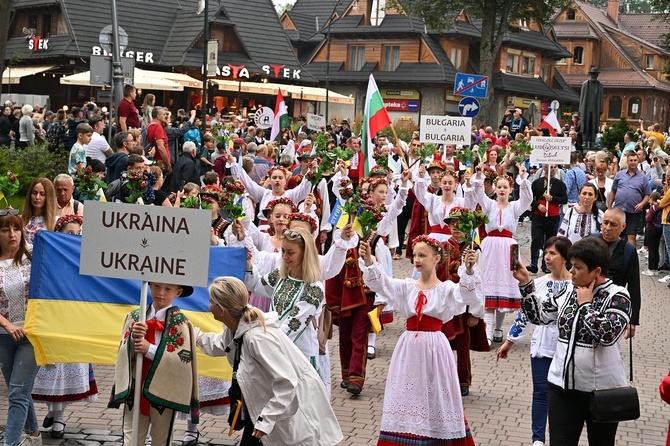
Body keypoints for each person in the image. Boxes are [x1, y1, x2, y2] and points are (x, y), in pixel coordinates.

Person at [359, 235, 481, 445]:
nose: (416, 259)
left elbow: (468, 297)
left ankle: (437, 433)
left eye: (422, 255)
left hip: (435, 347)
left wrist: (469, 271)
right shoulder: (407, 287)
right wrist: (370, 261)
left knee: (435, 392)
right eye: (414, 254)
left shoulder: (446, 289)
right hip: (409, 347)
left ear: (436, 258)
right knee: (407, 391)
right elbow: (382, 284)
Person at [195, 276, 343, 445]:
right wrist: (193, 335)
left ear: (221, 309)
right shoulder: (237, 327)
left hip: (287, 413)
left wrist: (266, 420)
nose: (209, 305)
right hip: (263, 412)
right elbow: (221, 345)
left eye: (211, 301)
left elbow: (287, 381)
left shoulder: (257, 338)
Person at [515, 237, 631, 446]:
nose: (572, 271)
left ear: (596, 271)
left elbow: (607, 335)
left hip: (602, 392)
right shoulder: (568, 290)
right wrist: (526, 284)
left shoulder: (618, 295)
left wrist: (586, 306)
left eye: (578, 267)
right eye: (571, 265)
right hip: (562, 388)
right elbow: (539, 316)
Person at [496, 236, 573, 446]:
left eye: (552, 253)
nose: (547, 257)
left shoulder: (575, 286)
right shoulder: (538, 283)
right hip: (541, 346)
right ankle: (537, 439)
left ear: (565, 257)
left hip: (565, 348)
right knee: (540, 392)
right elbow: (525, 315)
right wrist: (510, 341)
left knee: (563, 396)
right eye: (546, 253)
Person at [108, 282, 199, 446]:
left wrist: (149, 348)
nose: (161, 293)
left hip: (163, 391)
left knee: (161, 439)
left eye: (168, 289)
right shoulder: (134, 317)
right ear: (149, 286)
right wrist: (132, 342)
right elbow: (122, 353)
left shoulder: (181, 324)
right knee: (131, 439)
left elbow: (182, 360)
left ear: (178, 292)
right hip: (135, 389)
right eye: (156, 286)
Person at [31, 214, 97, 439]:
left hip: (76, 319)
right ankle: (53, 412)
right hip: (54, 318)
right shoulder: (51, 258)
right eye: (70, 234)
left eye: (78, 234)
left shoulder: (86, 259)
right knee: (54, 365)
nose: (75, 238)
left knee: (70, 367)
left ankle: (58, 417)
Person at [243, 227, 328, 382]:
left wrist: (263, 343)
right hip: (275, 348)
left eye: (290, 252)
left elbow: (293, 325)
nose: (285, 256)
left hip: (298, 354)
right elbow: (256, 286)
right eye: (283, 251)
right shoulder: (281, 275)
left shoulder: (314, 288)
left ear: (305, 254)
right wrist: (248, 265)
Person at [466, 164, 532, 344]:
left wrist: (523, 178)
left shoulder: (515, 207)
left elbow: (527, 199)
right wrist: (478, 176)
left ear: (511, 190)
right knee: (488, 284)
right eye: (499, 187)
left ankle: (497, 329)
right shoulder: (489, 205)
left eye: (505, 187)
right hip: (490, 247)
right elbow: (479, 195)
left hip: (509, 247)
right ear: (495, 189)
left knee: (506, 285)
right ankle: (486, 333)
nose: (502, 190)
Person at [0, 210, 41, 446]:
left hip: (31, 335)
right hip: (3, 336)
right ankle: (34, 433)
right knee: (19, 389)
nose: (12, 234)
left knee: (16, 392)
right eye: (5, 230)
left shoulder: (34, 255)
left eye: (16, 229)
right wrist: (5, 324)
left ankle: (10, 443)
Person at [528, 165, 568, 273]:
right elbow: (529, 198)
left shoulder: (560, 184)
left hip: (553, 216)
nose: (553, 169)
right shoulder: (536, 183)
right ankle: (533, 263)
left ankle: (545, 265)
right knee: (536, 239)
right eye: (550, 167)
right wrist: (538, 205)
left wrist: (553, 199)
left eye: (555, 167)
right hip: (538, 215)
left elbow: (564, 199)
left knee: (549, 240)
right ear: (545, 169)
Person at [609, 151, 651, 246]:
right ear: (627, 162)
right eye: (631, 160)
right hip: (619, 210)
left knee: (631, 235)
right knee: (616, 234)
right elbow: (613, 191)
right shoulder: (619, 175)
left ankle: (631, 257)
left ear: (638, 162)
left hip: (634, 212)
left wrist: (642, 204)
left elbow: (647, 194)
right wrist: (609, 206)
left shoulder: (643, 177)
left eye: (635, 160)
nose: (633, 162)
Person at [22, 178, 58, 245]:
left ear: (49, 197)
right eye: (34, 193)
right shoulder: (22, 220)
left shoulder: (56, 222)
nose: (37, 197)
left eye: (42, 194)